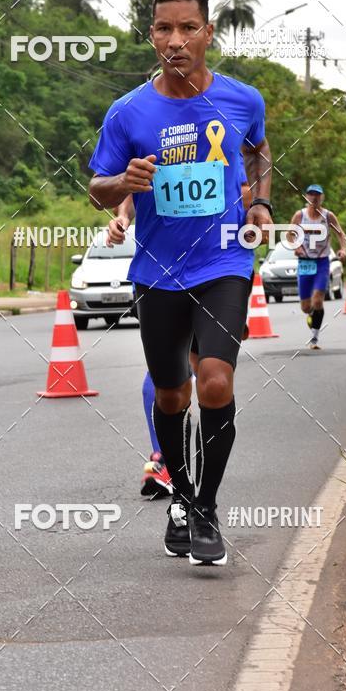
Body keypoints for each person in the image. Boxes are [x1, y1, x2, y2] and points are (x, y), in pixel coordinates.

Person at [89, 0, 272, 566]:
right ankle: (182, 496)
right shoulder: (128, 113)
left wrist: (260, 203)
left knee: (215, 380)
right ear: (151, 37)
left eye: (188, 27)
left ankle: (205, 509)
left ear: (207, 34)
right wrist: (125, 183)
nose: (176, 40)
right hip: (157, 272)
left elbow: (259, 150)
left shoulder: (243, 99)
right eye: (164, 29)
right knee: (172, 394)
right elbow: (98, 187)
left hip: (224, 260)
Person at [108, 174, 254, 501]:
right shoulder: (157, 132)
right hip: (161, 273)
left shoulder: (226, 133)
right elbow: (134, 187)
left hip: (217, 270)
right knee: (171, 378)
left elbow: (248, 183)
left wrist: (256, 203)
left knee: (208, 375)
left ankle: (192, 469)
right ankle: (165, 459)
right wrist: (122, 216)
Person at [288, 184, 346, 350]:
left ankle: (314, 338)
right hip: (305, 262)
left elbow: (340, 234)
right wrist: (296, 247)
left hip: (322, 261)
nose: (314, 197)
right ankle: (311, 316)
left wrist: (343, 249)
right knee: (306, 307)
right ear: (306, 197)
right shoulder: (300, 215)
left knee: (318, 300)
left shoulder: (328, 216)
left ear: (322, 197)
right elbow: (290, 234)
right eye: (311, 194)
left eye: (317, 195)